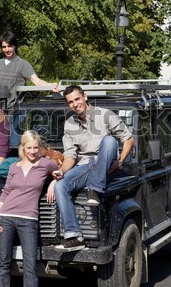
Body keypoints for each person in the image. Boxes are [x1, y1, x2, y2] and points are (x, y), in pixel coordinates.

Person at [53, 84, 135, 251]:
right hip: (85, 165)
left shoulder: (104, 115)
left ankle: (95, 188)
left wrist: (120, 161)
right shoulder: (69, 124)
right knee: (60, 185)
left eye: (77, 99)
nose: (75, 104)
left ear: (85, 97)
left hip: (107, 163)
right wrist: (61, 171)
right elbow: (70, 156)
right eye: (70, 102)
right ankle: (74, 235)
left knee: (110, 141)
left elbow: (128, 139)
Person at [0, 130, 58, 287]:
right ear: (22, 148)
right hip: (7, 217)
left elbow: (62, 172)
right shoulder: (14, 166)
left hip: (29, 219)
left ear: (40, 148)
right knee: (3, 263)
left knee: (30, 266)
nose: (32, 151)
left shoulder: (46, 163)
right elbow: (6, 192)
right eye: (28, 148)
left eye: (35, 148)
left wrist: (54, 183)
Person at [0, 30, 60, 110]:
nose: (7, 49)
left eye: (9, 46)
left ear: (15, 46)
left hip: (16, 111)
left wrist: (51, 85)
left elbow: (36, 81)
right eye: (4, 47)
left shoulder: (23, 64)